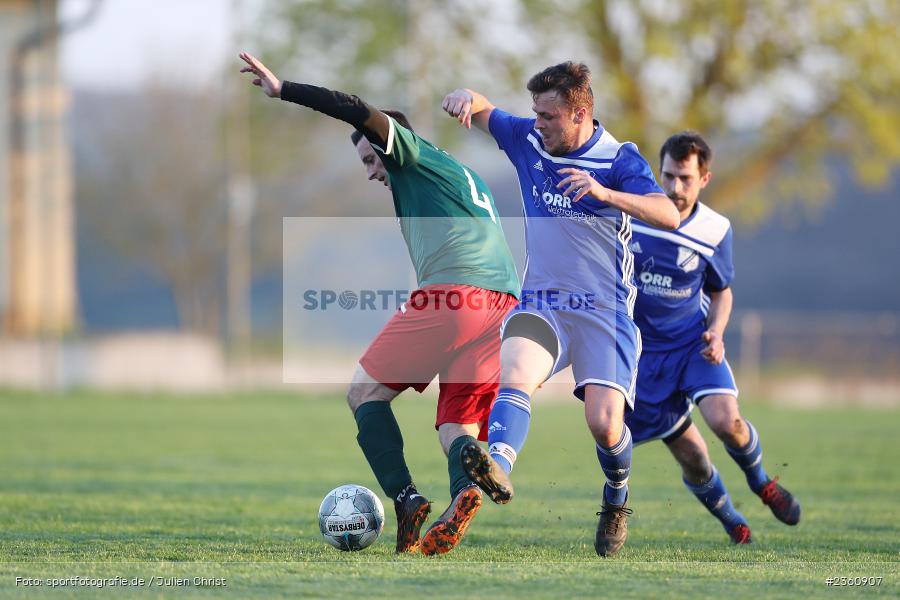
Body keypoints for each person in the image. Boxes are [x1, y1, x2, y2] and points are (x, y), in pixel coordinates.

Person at [239, 52, 521, 555]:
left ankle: (407, 499)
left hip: (456, 295)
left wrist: (285, 90)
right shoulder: (459, 173)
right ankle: (463, 500)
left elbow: (353, 107)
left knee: (363, 393)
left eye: (371, 159)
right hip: (502, 306)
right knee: (458, 426)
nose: (371, 172)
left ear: (389, 143)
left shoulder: (408, 153)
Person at [442, 62, 680, 556]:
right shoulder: (528, 138)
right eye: (535, 113)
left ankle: (617, 497)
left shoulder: (619, 159)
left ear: (580, 113)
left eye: (549, 115)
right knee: (516, 371)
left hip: (604, 312)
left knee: (604, 424)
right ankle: (500, 465)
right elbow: (487, 112)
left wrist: (606, 194)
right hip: (544, 301)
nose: (539, 123)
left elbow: (669, 214)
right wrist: (468, 93)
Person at [626, 131, 801, 544]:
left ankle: (761, 482)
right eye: (668, 176)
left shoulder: (716, 229)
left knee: (727, 421)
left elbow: (721, 291)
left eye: (685, 178)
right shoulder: (632, 215)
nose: (674, 187)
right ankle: (733, 522)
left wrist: (717, 333)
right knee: (694, 458)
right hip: (643, 357)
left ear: (705, 179)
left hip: (693, 343)